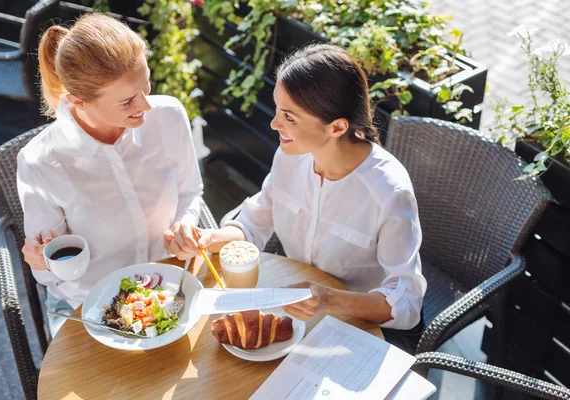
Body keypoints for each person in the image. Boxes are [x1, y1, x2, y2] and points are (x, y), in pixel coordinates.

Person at [166, 43, 427, 353]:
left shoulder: (388, 192)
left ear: (337, 127)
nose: (275, 124)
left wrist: (328, 299)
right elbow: (253, 223)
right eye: (277, 110)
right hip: (297, 311)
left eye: (289, 117)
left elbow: (407, 305)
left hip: (359, 328)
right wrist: (206, 238)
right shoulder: (291, 156)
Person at [18, 14, 203, 336]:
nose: (145, 105)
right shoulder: (41, 162)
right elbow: (52, 273)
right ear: (78, 101)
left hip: (173, 282)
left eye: (145, 85)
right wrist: (40, 260)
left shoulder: (169, 117)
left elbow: (190, 192)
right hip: (88, 305)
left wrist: (185, 223)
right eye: (128, 100)